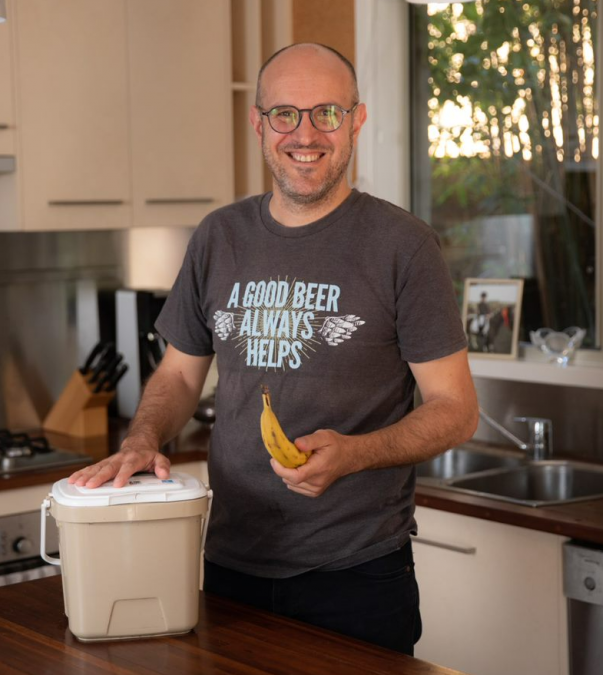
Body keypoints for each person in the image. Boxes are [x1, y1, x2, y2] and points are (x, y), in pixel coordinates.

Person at [69, 43, 478, 655]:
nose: (304, 134)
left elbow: (456, 409)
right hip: (230, 563)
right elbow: (179, 376)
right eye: (285, 114)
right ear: (259, 123)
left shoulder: (404, 246)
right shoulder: (219, 237)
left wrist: (356, 454)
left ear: (357, 121)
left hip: (357, 575)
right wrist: (142, 439)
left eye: (327, 114)